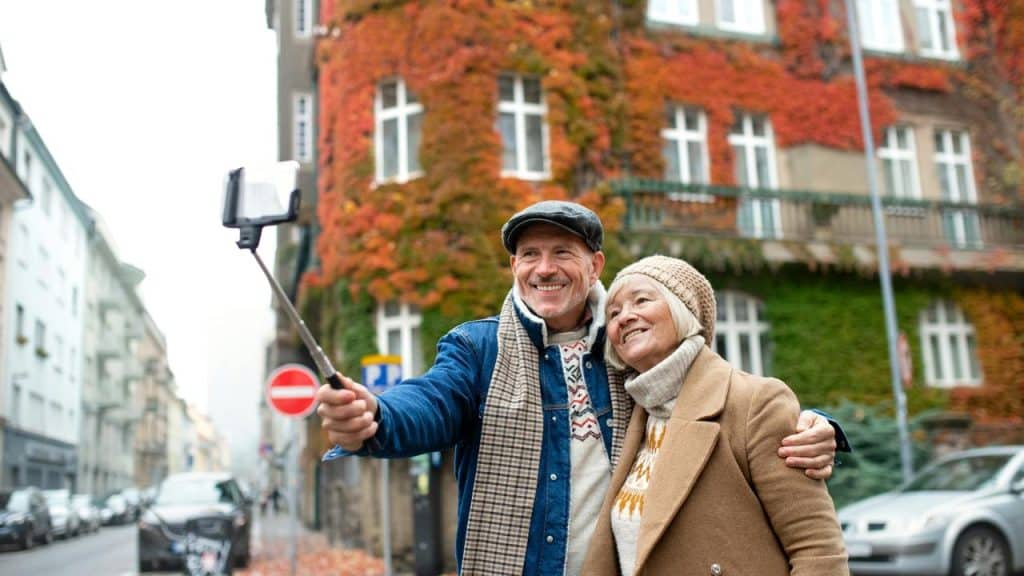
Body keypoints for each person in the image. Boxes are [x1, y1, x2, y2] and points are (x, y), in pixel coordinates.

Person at [316, 201, 847, 575]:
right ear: (514, 267)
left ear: (595, 266)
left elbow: (719, 394)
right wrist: (378, 415)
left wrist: (815, 423)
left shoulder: (630, 350)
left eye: (562, 252)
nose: (544, 269)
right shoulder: (479, 349)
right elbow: (431, 402)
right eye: (529, 255)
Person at [582, 255, 848, 575]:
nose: (625, 317)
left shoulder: (754, 402)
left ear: (683, 310)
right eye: (613, 313)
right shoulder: (628, 411)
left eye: (641, 300)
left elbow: (818, 550)